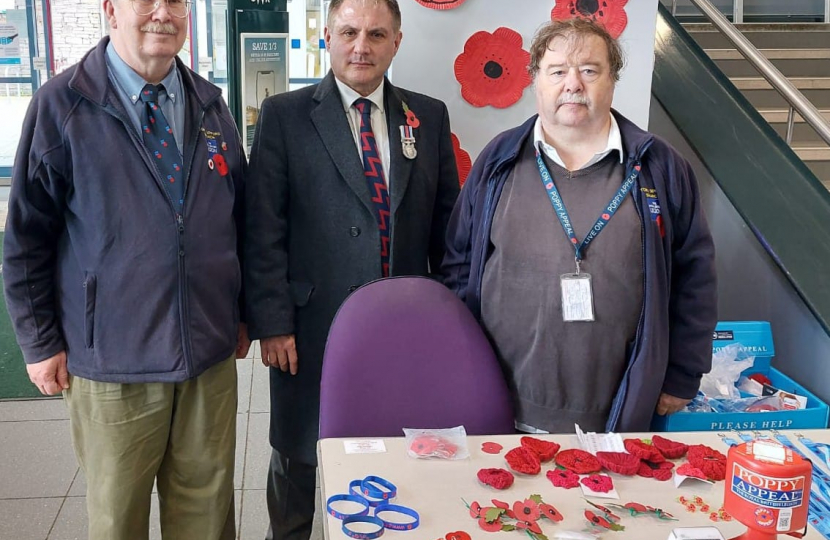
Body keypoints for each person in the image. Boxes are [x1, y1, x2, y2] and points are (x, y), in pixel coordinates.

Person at [2, 0, 249, 538]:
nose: (163, 12)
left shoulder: (210, 105)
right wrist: (39, 341)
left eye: (177, 2)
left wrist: (243, 311)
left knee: (207, 517)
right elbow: (25, 240)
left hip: (206, 352)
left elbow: (240, 216)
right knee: (119, 518)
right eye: (147, 0)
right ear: (112, 10)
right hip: (113, 359)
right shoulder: (62, 105)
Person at [244, 0, 459, 538]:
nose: (361, 46)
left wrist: (451, 320)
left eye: (376, 34)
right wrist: (272, 322)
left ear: (397, 41)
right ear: (328, 37)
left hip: (402, 329)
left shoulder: (426, 117)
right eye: (349, 32)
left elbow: (448, 226)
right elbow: (262, 229)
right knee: (298, 461)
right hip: (310, 326)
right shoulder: (285, 116)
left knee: (394, 460)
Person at [442, 17, 717, 435]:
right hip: (501, 399)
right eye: (557, 72)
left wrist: (684, 372)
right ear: (536, 81)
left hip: (618, 408)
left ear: (612, 80)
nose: (573, 84)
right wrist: (459, 361)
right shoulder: (498, 159)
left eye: (589, 70)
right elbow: (459, 264)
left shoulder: (659, 166)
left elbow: (694, 276)